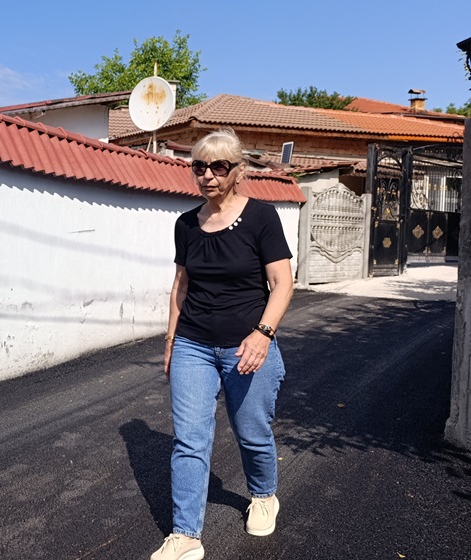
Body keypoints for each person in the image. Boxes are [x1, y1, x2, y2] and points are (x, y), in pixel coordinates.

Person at [152, 128, 294, 560]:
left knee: (251, 432)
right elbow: (180, 286)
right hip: (193, 344)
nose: (208, 175)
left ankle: (264, 495)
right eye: (200, 167)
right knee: (189, 440)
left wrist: (263, 334)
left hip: (247, 346)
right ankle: (186, 535)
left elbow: (282, 283)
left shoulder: (261, 217)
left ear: (239, 171)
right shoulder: (186, 224)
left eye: (219, 166)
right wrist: (171, 340)